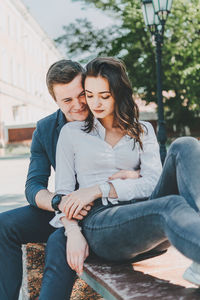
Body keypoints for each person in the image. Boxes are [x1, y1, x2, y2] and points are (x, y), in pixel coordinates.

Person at [48, 56, 200, 299]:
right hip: (102, 224)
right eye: (89, 94)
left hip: (147, 219)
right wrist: (73, 233)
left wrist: (101, 187)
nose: (95, 103)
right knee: (171, 206)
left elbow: (153, 182)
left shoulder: (143, 130)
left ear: (118, 93)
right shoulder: (72, 133)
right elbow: (64, 194)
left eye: (104, 96)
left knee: (186, 144)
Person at [0, 59, 92, 300]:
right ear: (56, 101)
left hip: (98, 208)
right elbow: (33, 187)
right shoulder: (45, 129)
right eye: (67, 100)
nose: (79, 104)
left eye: (81, 95)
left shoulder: (103, 115)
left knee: (56, 241)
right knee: (4, 225)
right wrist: (59, 202)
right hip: (63, 207)